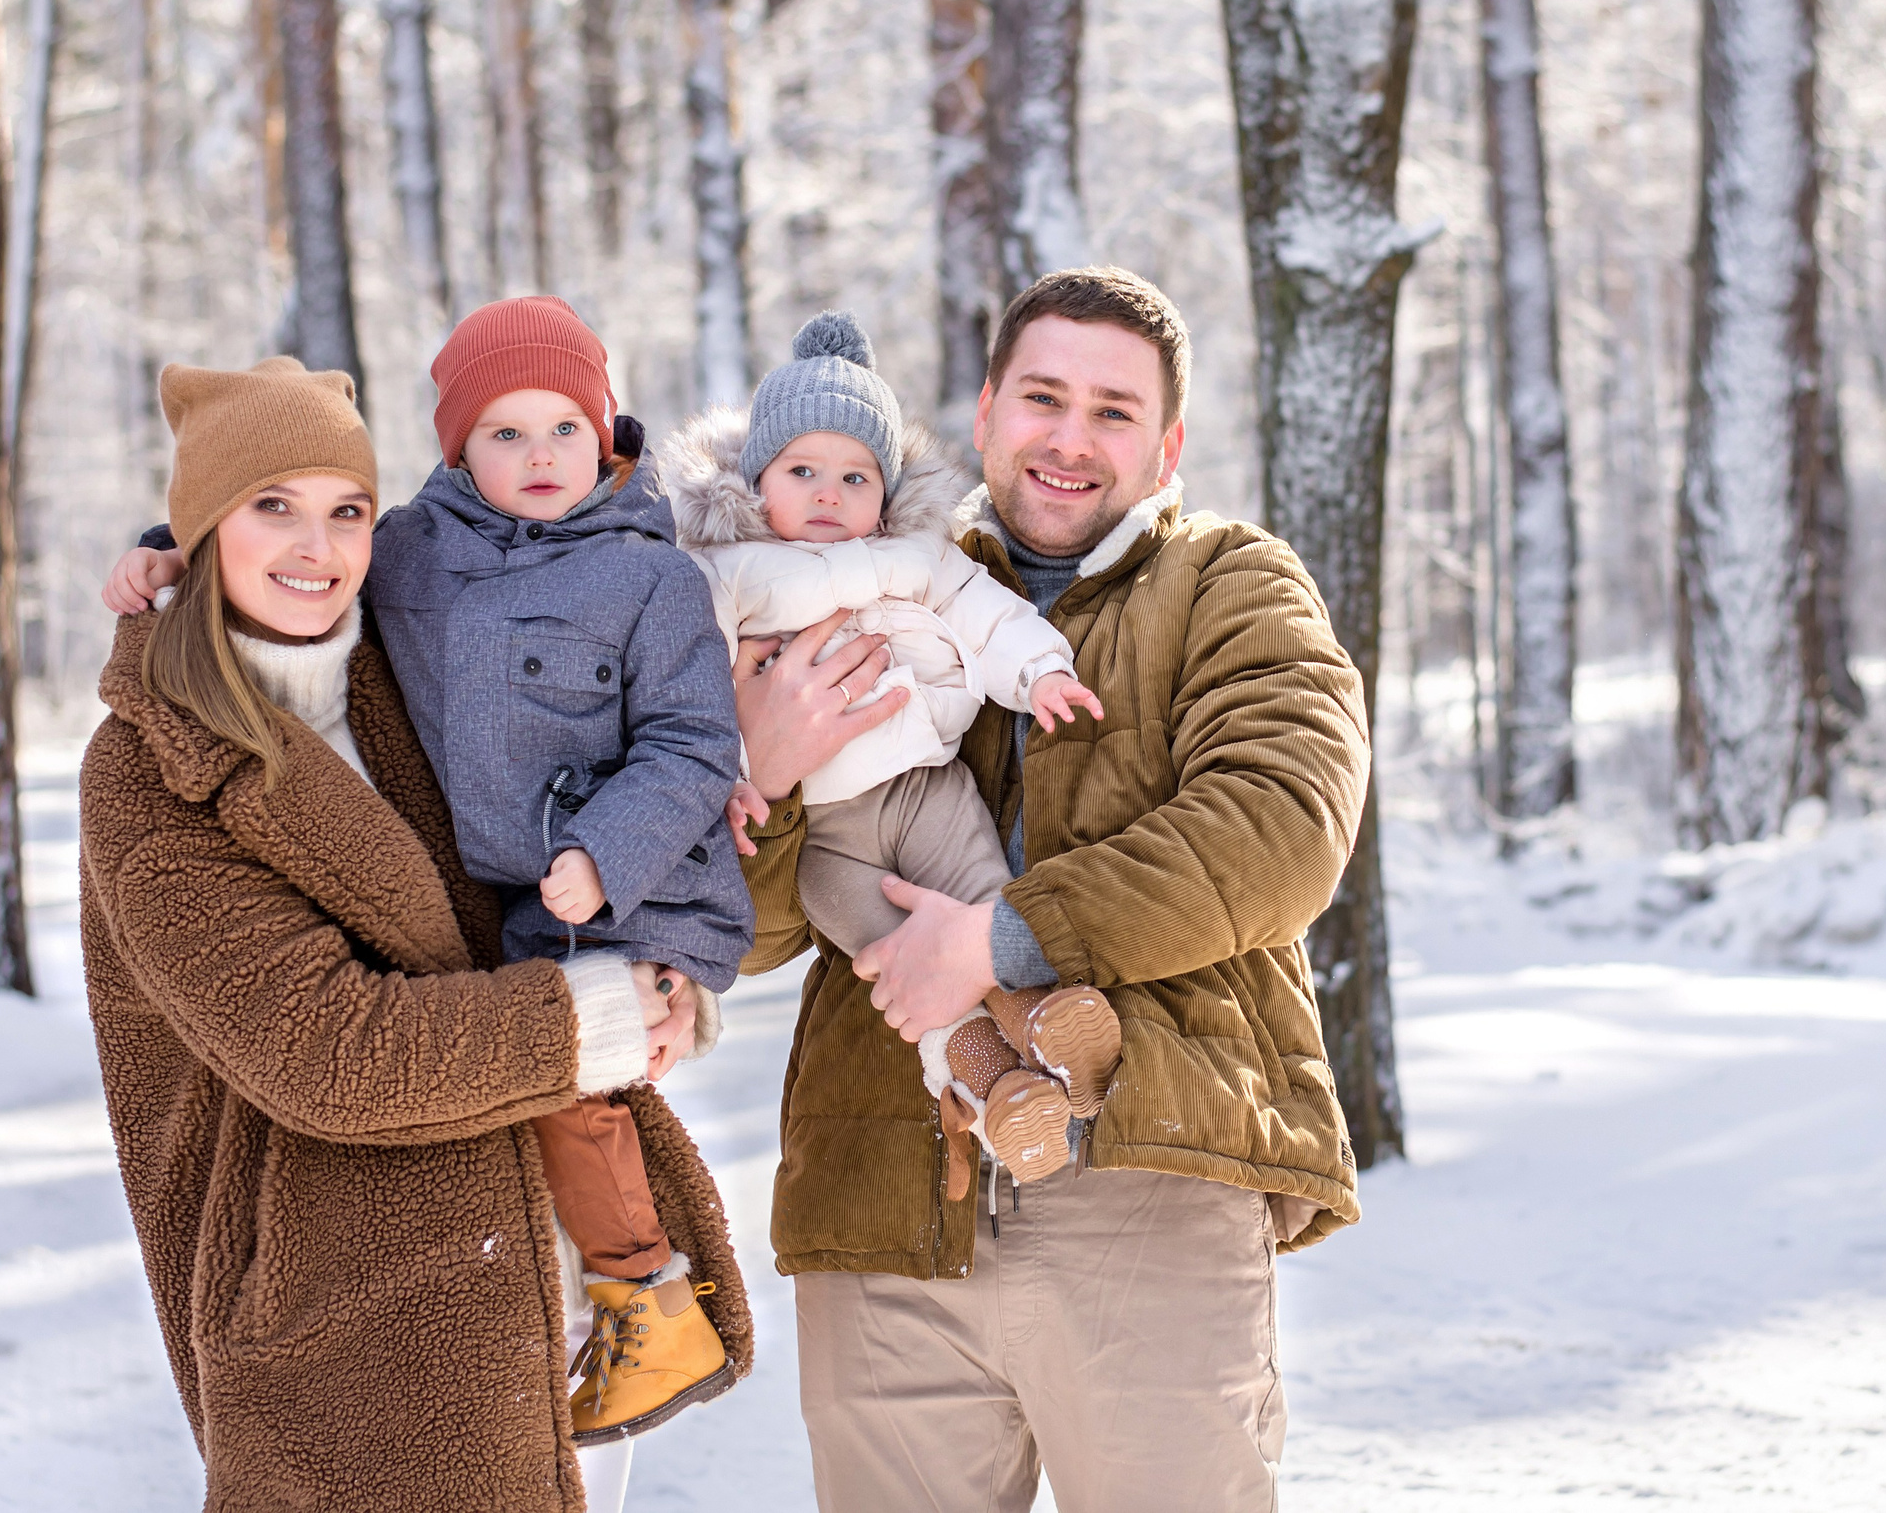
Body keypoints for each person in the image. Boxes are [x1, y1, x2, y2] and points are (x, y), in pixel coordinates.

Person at [728, 268, 1372, 1513]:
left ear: (1168, 442)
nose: (1071, 438)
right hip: (883, 1199)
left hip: (1149, 1171)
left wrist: (1007, 937)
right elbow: (750, 936)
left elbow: (1283, 824)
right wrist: (765, 768)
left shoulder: (1228, 584)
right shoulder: (856, 573)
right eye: (1043, 397)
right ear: (982, 414)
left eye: (1114, 410)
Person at [79, 356, 746, 1512]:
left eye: (345, 510)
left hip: (549, 1306)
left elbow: (577, 609)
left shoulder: (404, 668)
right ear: (201, 533)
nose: (316, 547)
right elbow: (324, 1051)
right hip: (346, 1343)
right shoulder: (149, 768)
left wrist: (665, 950)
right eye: (271, 507)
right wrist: (590, 1018)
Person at [664, 309, 1120, 1197]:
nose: (829, 494)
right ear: (759, 482)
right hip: (826, 836)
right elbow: (685, 680)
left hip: (924, 786)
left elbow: (984, 610)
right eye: (804, 471)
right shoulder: (726, 570)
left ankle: (1048, 1024)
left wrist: (1040, 672)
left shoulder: (912, 556)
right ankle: (994, 1092)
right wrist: (730, 772)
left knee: (985, 899)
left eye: (854, 476)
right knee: (901, 964)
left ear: (886, 491)